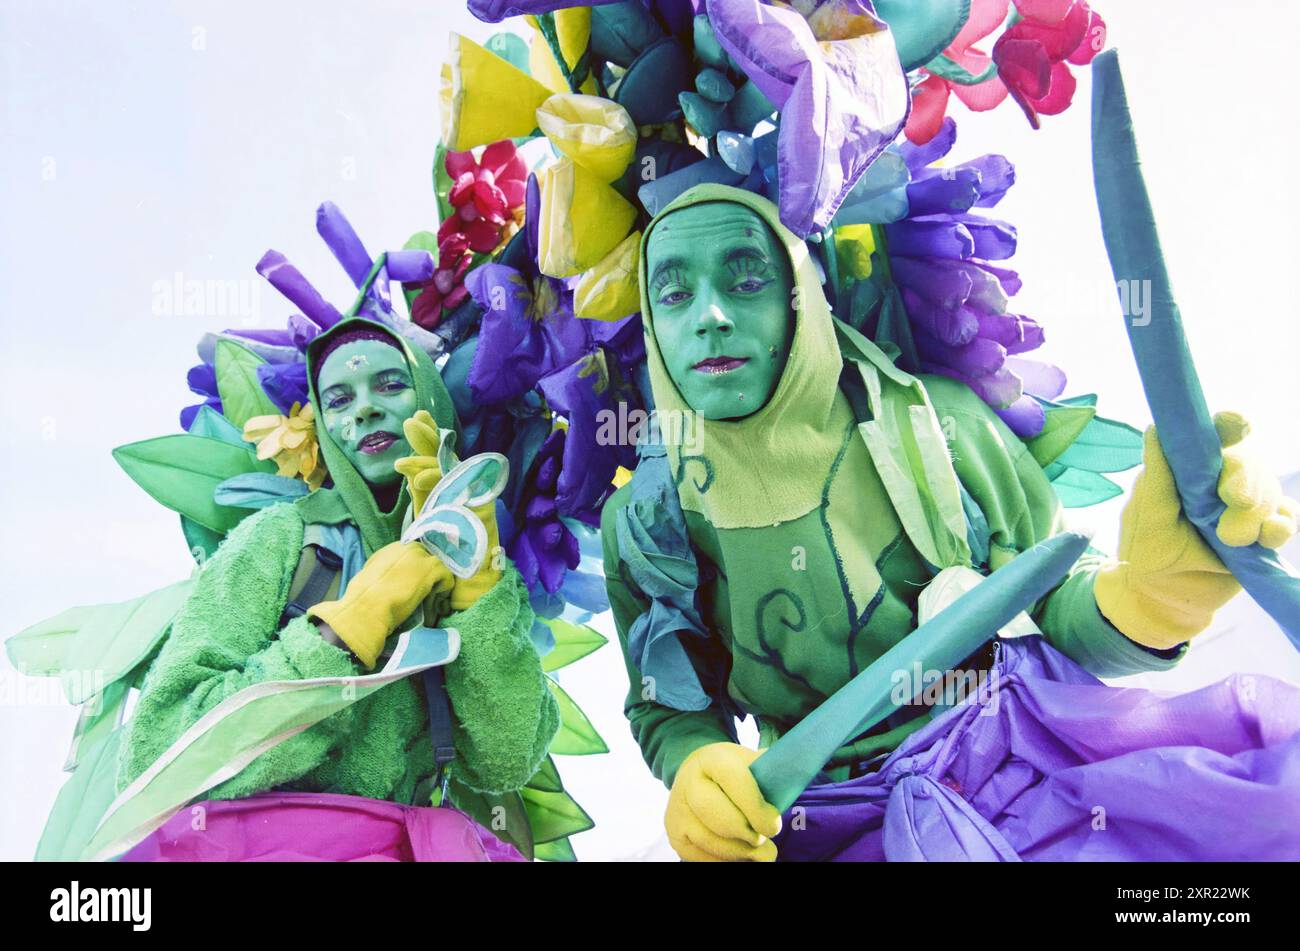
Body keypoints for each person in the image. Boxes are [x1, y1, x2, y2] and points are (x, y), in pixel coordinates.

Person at [601, 184, 1299, 862]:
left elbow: (1057, 598)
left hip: (1036, 764)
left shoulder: (939, 424)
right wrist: (698, 772)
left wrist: (1155, 594)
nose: (711, 315)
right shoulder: (647, 528)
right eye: (672, 293)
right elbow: (668, 704)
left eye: (747, 279)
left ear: (799, 296)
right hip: (824, 823)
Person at [117, 318, 559, 860]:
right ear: (323, 427)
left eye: (392, 385)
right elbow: (156, 755)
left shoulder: (482, 568)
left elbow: (507, 759)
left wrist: (479, 598)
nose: (365, 408)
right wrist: (344, 630)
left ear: (434, 400)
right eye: (339, 399)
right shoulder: (280, 537)